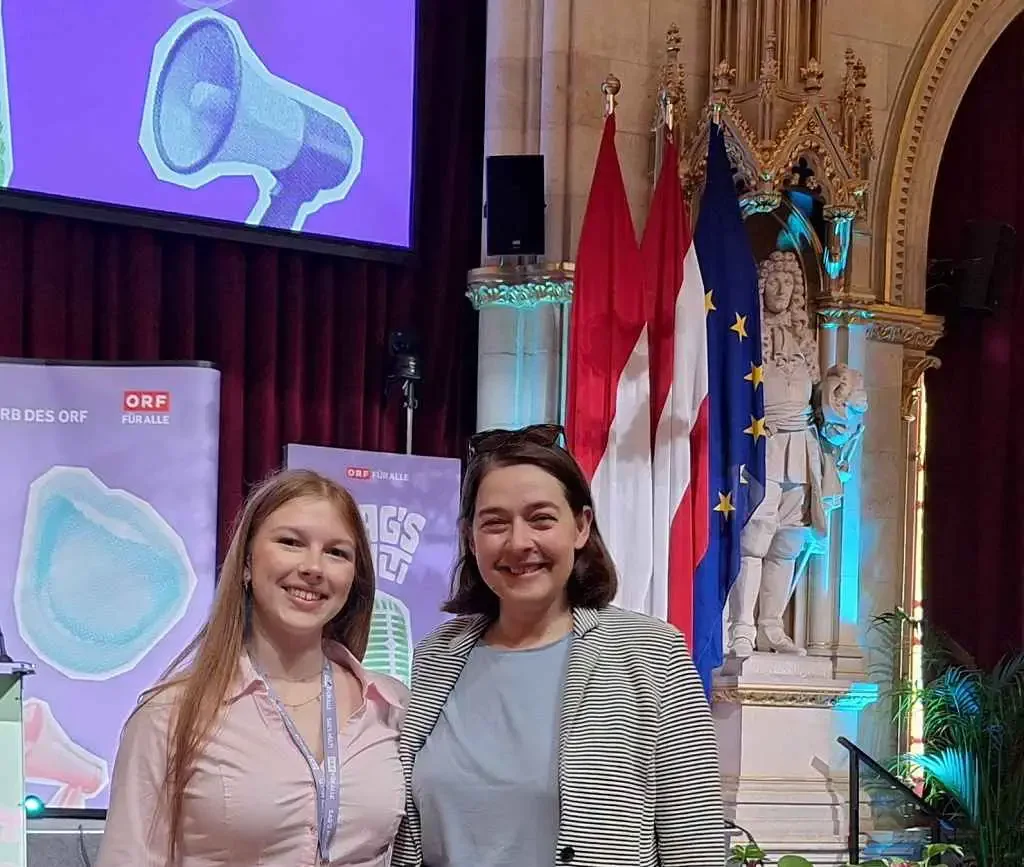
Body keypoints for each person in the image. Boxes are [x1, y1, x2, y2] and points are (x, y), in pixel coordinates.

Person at [392, 425, 724, 867]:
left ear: (581, 526)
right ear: (471, 538)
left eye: (541, 519)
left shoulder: (651, 653)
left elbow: (696, 847)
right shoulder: (437, 654)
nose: (519, 542)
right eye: (495, 523)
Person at [97, 469, 407, 867]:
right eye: (291, 542)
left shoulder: (390, 705)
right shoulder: (169, 715)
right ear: (246, 563)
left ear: (354, 577)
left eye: (336, 552)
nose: (314, 567)